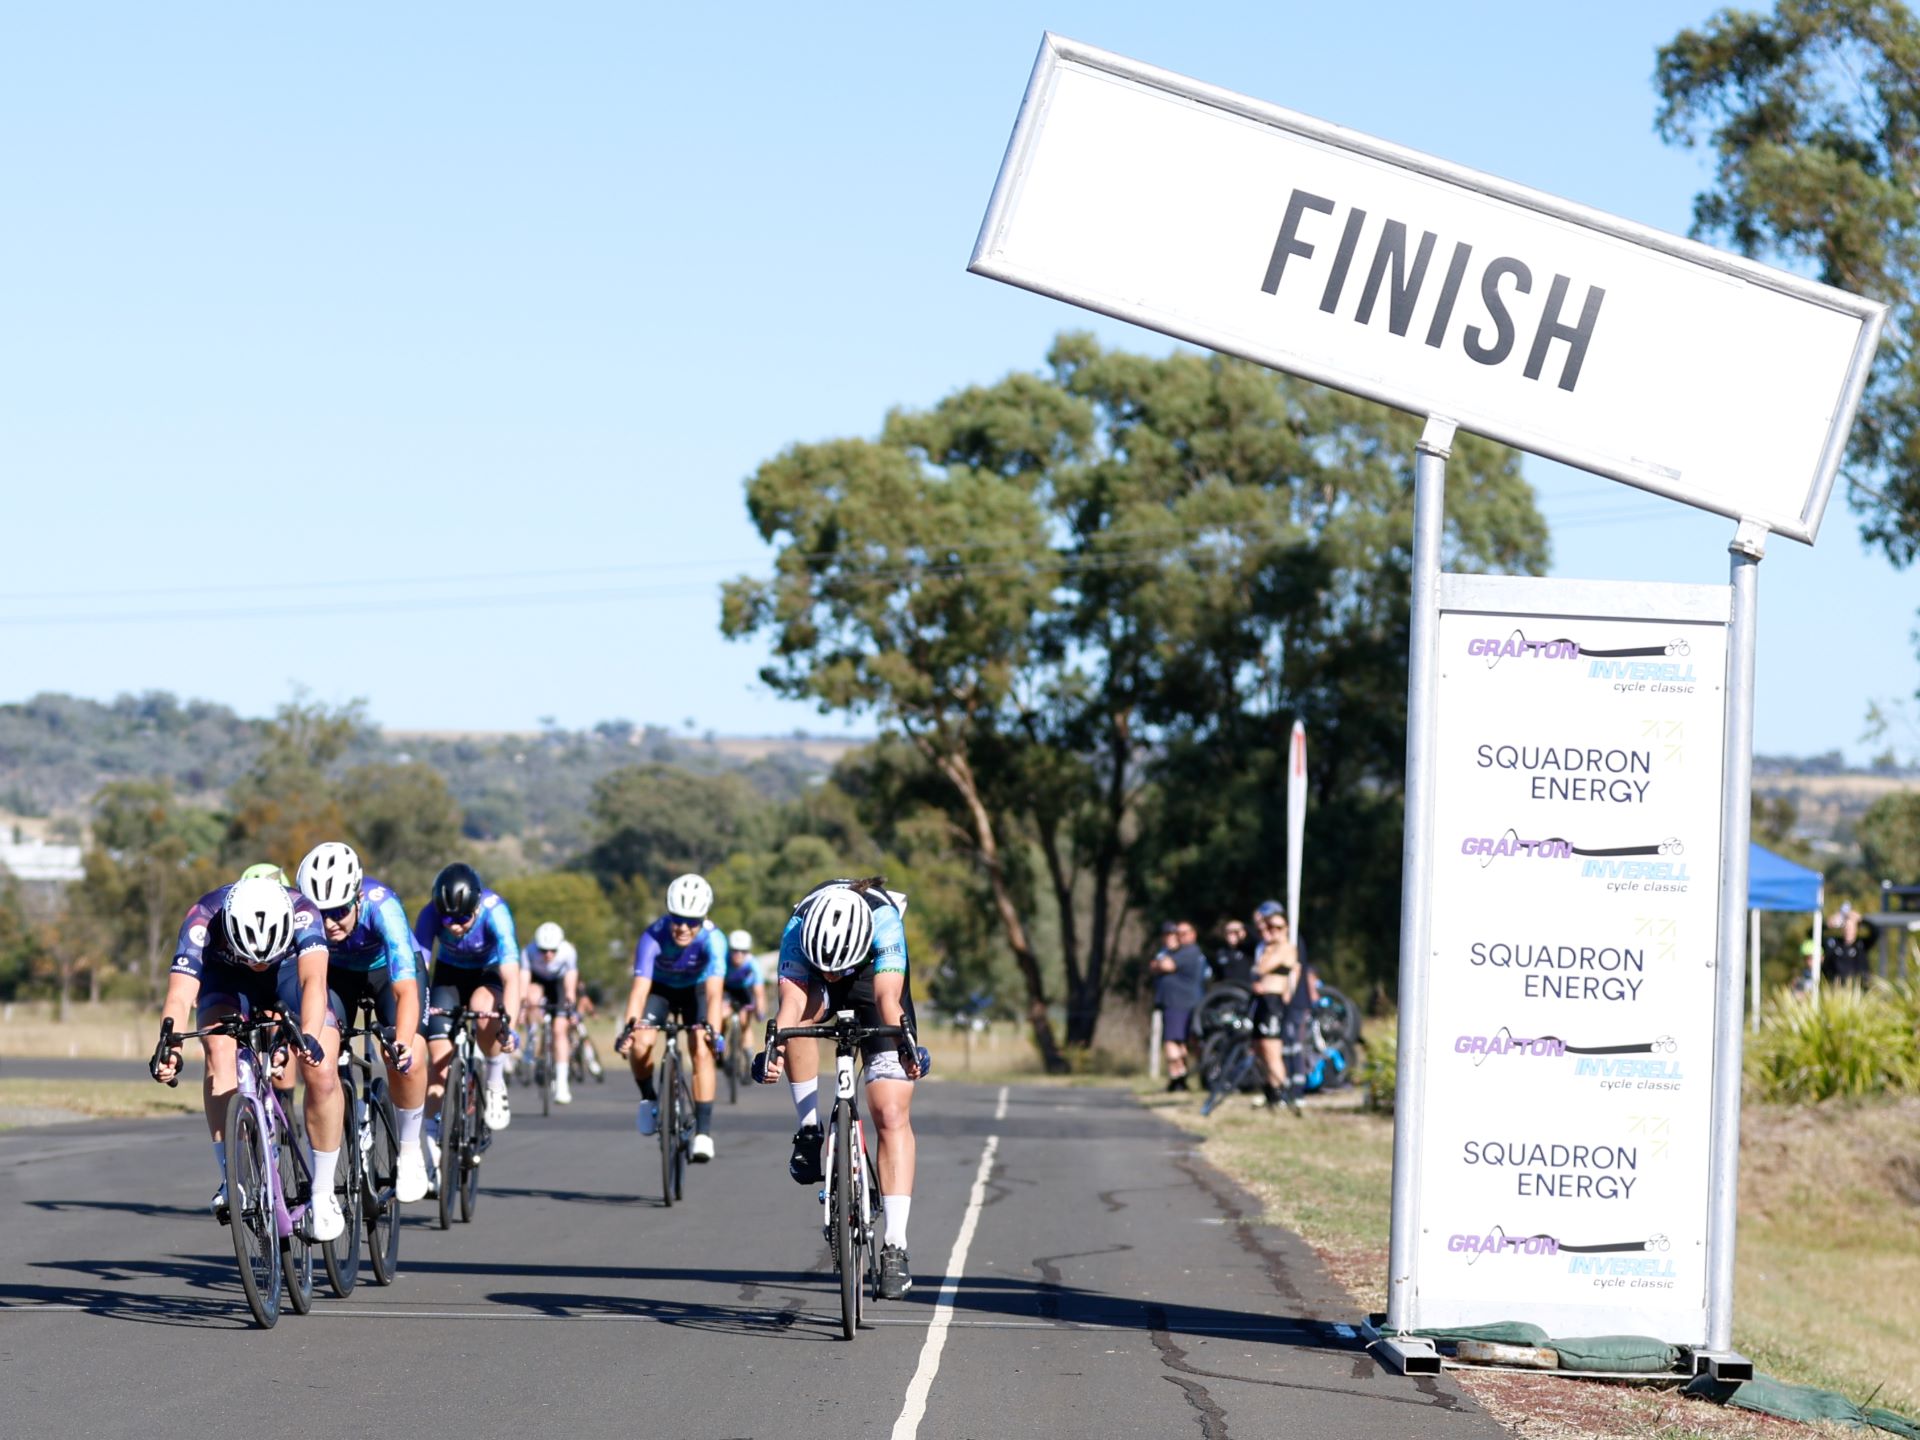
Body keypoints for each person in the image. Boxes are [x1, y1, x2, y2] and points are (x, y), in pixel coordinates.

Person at [148, 875, 346, 1240]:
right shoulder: (203, 916)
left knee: (322, 1070)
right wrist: (170, 1045)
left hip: (288, 976)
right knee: (219, 1048)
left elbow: (313, 983)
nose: (258, 963)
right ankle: (231, 1178)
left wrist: (308, 1039)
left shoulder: (303, 911)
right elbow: (178, 996)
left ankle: (322, 1193)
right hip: (227, 979)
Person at [757, 876, 923, 1299]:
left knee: (889, 1111)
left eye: (837, 969)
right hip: (814, 987)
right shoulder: (798, 928)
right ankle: (810, 1129)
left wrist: (907, 1049)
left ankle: (895, 1248)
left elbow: (888, 1001)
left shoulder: (884, 921)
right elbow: (791, 1006)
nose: (832, 974)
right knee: (794, 1029)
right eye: (825, 967)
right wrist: (774, 1048)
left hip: (872, 983)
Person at [295, 841, 432, 1203]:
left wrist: (400, 1043)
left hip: (388, 974)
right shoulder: (304, 917)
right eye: (319, 911)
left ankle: (410, 1149)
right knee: (320, 1061)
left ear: (356, 898)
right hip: (336, 976)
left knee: (408, 1055)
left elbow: (406, 992)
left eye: (338, 910)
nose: (328, 922)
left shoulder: (382, 907)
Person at [616, 873, 726, 1161]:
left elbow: (715, 994)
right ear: (669, 914)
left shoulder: (714, 941)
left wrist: (714, 1031)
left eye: (692, 921)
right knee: (641, 1043)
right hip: (660, 991)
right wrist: (630, 1027)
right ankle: (648, 1098)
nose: (683, 928)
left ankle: (703, 1133)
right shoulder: (653, 935)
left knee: (702, 1048)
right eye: (678, 918)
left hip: (696, 992)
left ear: (703, 919)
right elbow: (639, 991)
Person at [415, 863, 522, 1143]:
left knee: (483, 1007)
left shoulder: (496, 912)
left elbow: (512, 978)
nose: (457, 926)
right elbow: (418, 971)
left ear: (476, 907)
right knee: (438, 1059)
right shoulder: (430, 914)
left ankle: (495, 1078)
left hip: (488, 973)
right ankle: (430, 1140)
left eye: (464, 919)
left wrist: (509, 1026)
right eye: (449, 921)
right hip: (449, 976)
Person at [1251, 904, 1310, 1114]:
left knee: (1272, 1048)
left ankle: (1281, 1091)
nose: (1271, 932)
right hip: (1262, 1000)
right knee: (1259, 1047)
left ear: (1285, 928)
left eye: (1276, 927)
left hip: (1274, 1002)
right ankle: (1270, 1089)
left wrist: (1267, 952)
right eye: (1268, 928)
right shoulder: (1266, 946)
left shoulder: (1286, 947)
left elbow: (1262, 967)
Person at [522, 921, 580, 1105]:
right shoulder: (528, 952)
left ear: (559, 946)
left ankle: (562, 1084)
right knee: (531, 997)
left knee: (559, 1030)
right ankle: (532, 1035)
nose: (548, 954)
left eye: (552, 950)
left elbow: (571, 979)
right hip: (537, 980)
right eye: (543, 950)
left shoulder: (568, 951)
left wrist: (570, 997)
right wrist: (523, 1003)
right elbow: (523, 979)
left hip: (559, 983)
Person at [1150, 919, 1207, 1091]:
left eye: (1179, 934)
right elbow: (1154, 965)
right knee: (1178, 1041)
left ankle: (1179, 1076)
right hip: (1172, 1003)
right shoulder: (1172, 952)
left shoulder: (1189, 951)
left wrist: (1161, 964)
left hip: (1180, 1004)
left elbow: (1165, 965)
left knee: (1172, 1041)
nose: (1174, 938)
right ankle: (1178, 1078)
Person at [717, 928, 765, 1052]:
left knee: (745, 1022)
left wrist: (760, 1010)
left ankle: (748, 1054)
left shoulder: (752, 963)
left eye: (743, 951)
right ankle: (720, 1046)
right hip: (727, 989)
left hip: (745, 990)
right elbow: (716, 984)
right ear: (730, 950)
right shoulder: (723, 960)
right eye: (735, 950)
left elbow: (759, 991)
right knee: (722, 1016)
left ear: (748, 951)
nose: (739, 954)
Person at [1820, 903, 1879, 986]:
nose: (1848, 931)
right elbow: (1813, 934)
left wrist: (1861, 919)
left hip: (1859, 990)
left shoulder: (1861, 945)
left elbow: (1876, 932)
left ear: (1856, 929)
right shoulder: (1833, 944)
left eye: (1851, 928)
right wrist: (1827, 924)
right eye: (1846, 928)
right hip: (1836, 990)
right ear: (1842, 929)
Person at [1210, 918, 1256, 989]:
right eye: (1228, 932)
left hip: (1246, 990)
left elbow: (1256, 937)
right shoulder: (1221, 952)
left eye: (1235, 932)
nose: (1231, 935)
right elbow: (1217, 975)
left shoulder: (1248, 949)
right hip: (1228, 991)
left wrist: (1243, 927)